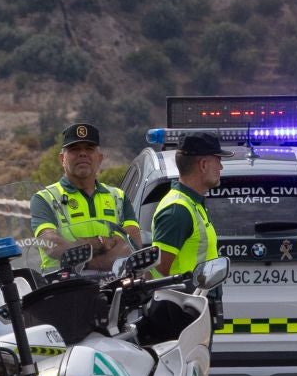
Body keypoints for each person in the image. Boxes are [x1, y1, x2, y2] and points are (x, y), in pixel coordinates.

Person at [27, 121, 139, 272]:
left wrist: (79, 248)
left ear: (99, 158)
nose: (82, 153)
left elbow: (132, 243)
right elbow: (51, 245)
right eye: (74, 149)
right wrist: (99, 245)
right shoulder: (44, 199)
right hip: (62, 289)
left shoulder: (118, 197)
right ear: (62, 159)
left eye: (89, 148)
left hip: (113, 288)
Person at [149, 130, 233, 283]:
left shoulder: (191, 203)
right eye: (218, 160)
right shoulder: (178, 210)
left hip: (196, 302)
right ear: (203, 165)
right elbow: (156, 273)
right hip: (184, 303)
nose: (221, 167)